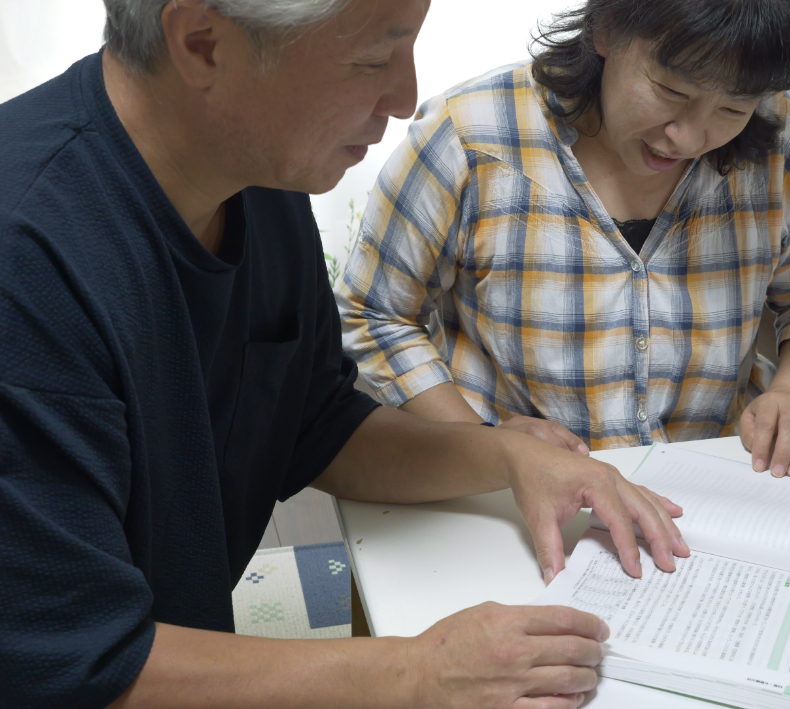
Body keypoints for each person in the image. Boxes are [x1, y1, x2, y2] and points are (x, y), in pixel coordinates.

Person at [0, 1, 690, 707]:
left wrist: (506, 456)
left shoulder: (255, 174)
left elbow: (318, 423)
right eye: (371, 61)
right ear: (204, 44)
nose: (404, 97)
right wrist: (416, 671)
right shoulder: (28, 264)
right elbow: (77, 667)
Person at [337, 0, 790, 478]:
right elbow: (374, 311)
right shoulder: (472, 135)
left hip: (711, 476)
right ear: (609, 29)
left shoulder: (776, 134)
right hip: (509, 491)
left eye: (732, 109)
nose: (688, 137)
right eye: (672, 91)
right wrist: (485, 449)